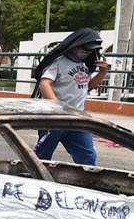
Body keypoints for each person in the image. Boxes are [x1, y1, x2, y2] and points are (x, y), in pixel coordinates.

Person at [32, 28, 109, 165]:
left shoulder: (85, 65)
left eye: (89, 51)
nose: (86, 53)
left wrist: (101, 73)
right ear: (75, 46)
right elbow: (44, 84)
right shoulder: (58, 62)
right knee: (42, 156)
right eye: (84, 49)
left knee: (88, 157)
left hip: (78, 118)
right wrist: (58, 107)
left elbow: (86, 87)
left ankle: (87, 178)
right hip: (56, 119)